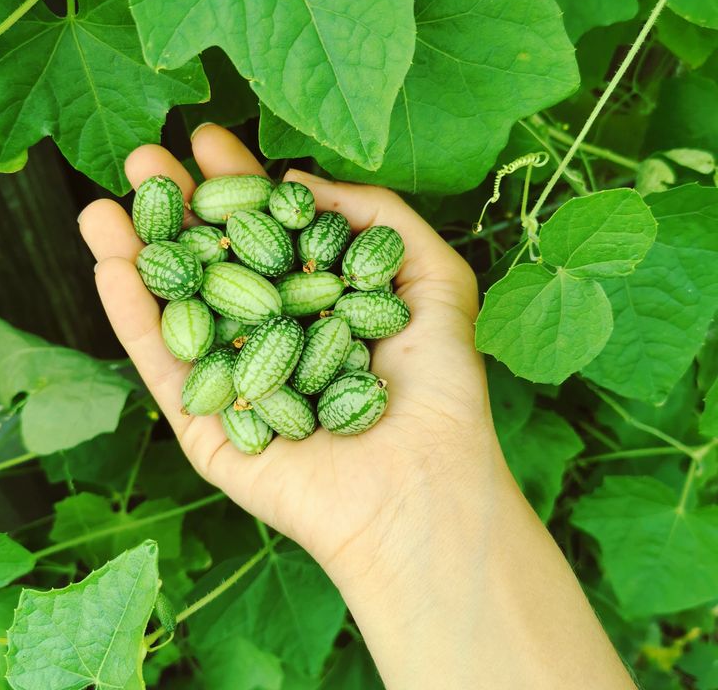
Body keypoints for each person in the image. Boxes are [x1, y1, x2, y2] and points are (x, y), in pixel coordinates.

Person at [78, 123, 636, 689]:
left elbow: (292, 319)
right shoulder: (256, 309)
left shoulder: (303, 311)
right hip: (267, 339)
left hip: (278, 341)